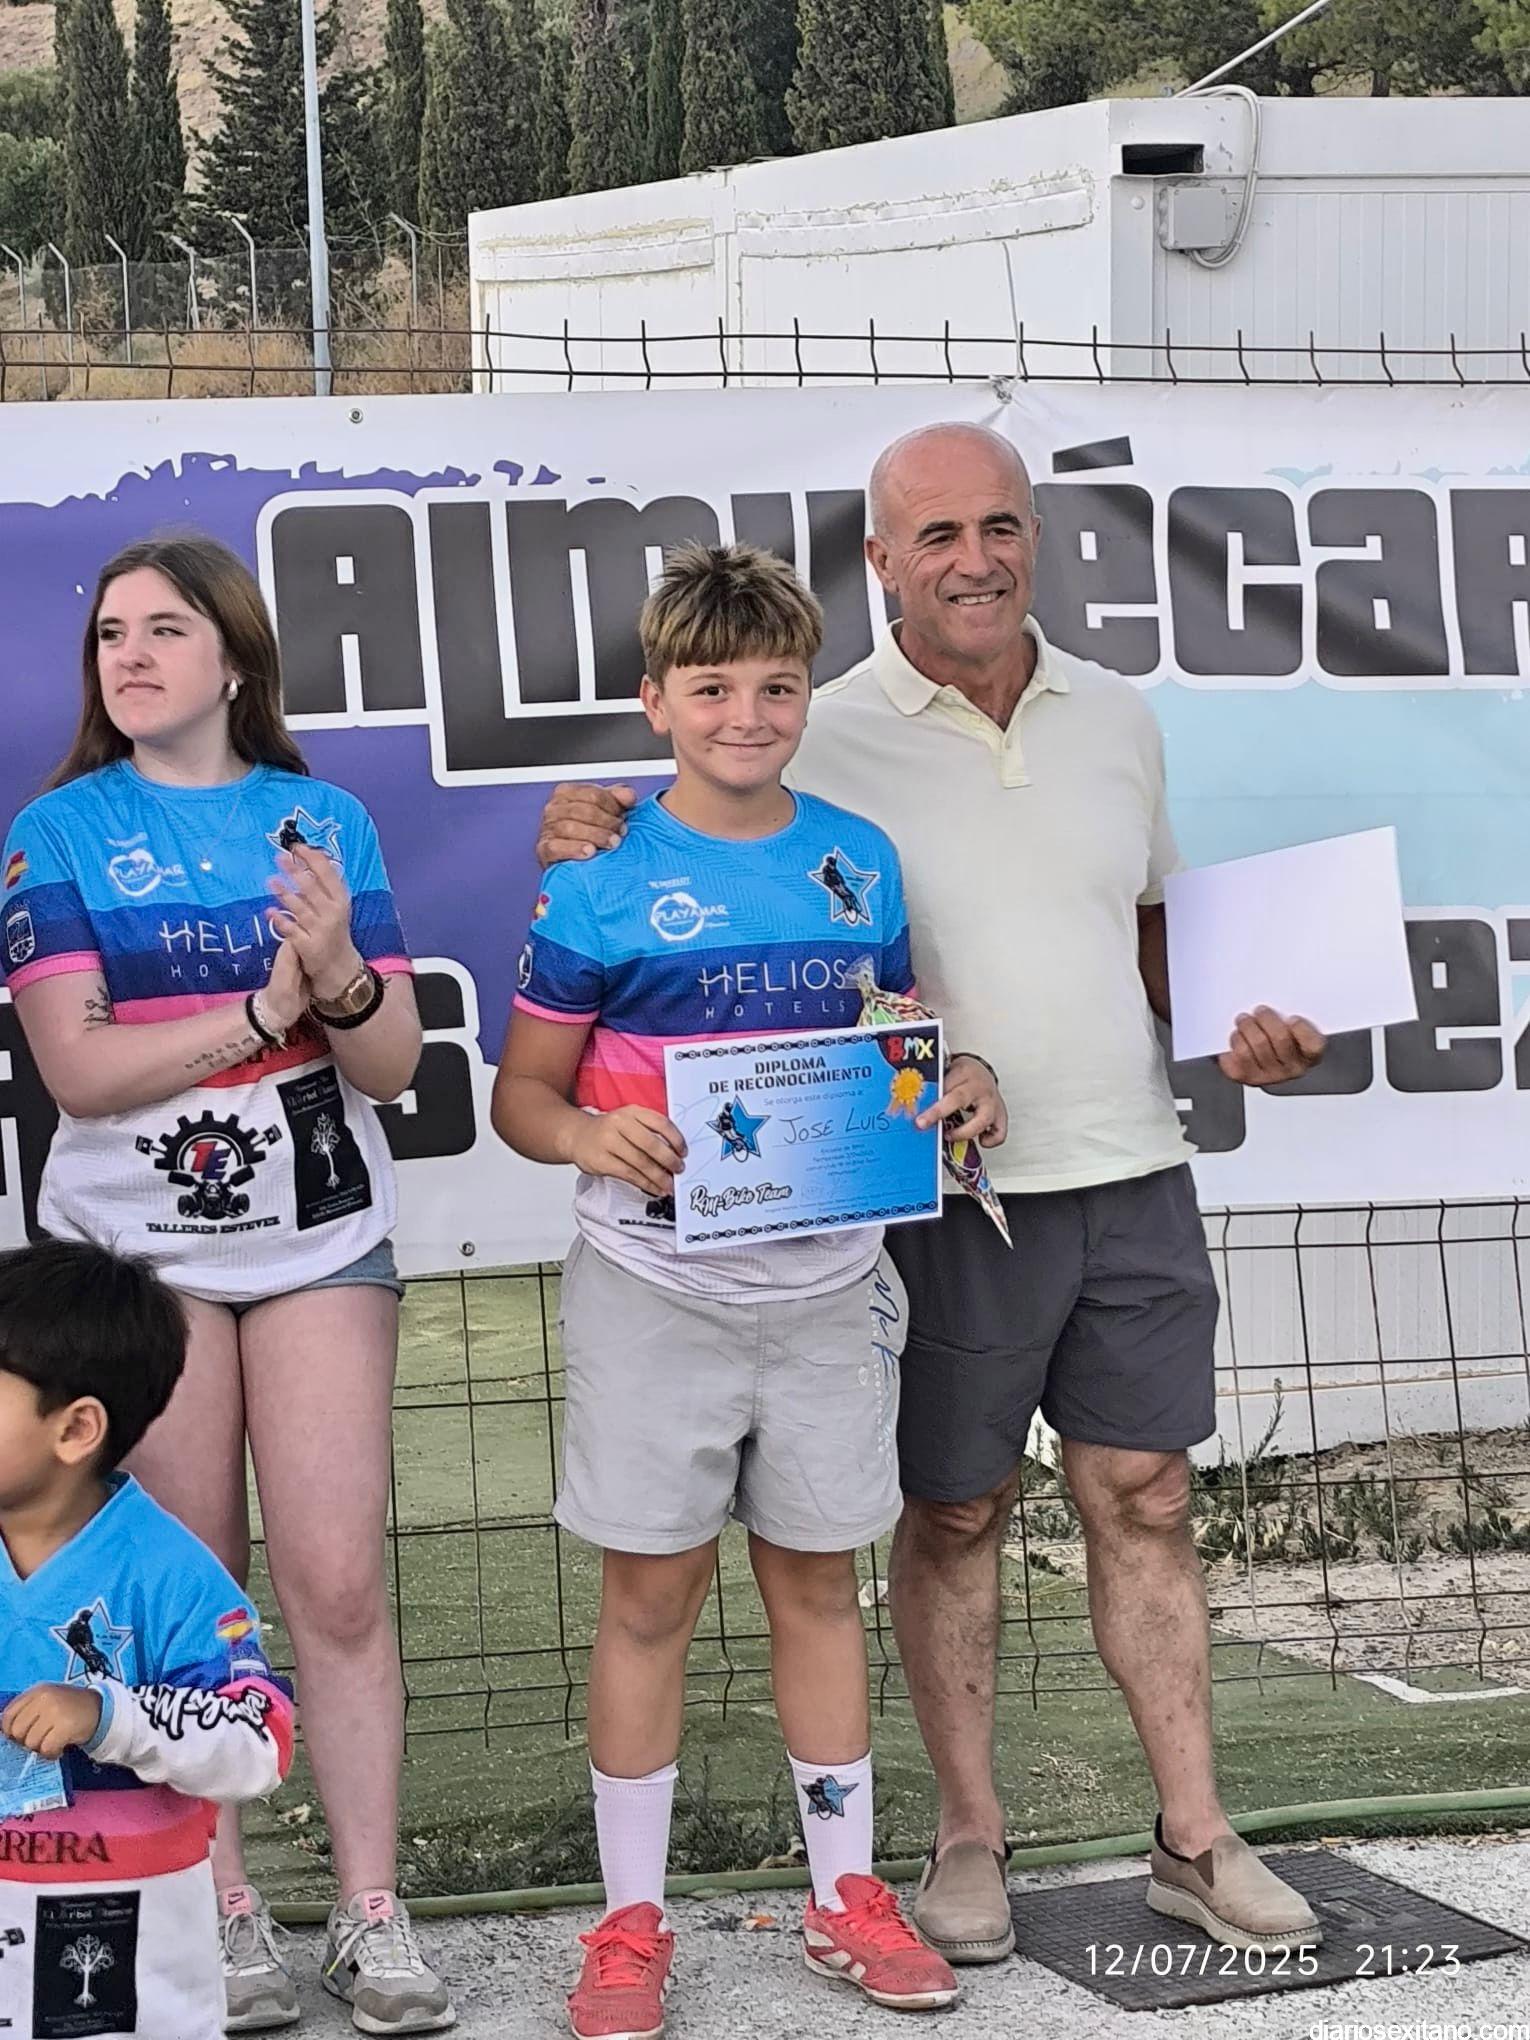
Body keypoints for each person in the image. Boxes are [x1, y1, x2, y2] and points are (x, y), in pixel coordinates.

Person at [533, 423, 1329, 1962]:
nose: (975, 559)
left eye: (999, 526)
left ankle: (1195, 1836)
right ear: (882, 560)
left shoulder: (1115, 715)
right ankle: (967, 1840)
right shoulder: (810, 727)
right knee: (954, 1510)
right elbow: (663, 827)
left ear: (1035, 537)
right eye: (938, 534)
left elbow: (1147, 932)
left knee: (1150, 1495)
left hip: (1131, 1161)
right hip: (943, 1191)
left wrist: (1249, 1029)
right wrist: (574, 826)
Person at [494, 543, 1008, 2039]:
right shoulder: (599, 881)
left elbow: (890, 1038)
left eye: (776, 687)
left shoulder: (857, 859)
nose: (746, 715)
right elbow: (521, 1096)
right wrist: (589, 1135)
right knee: (649, 1597)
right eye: (711, 688)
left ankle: (845, 1894)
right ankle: (628, 1921)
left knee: (817, 1588)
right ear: (656, 700)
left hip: (830, 1284)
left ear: (807, 696)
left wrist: (953, 1081)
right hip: (654, 1284)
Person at [0, 537, 454, 2034]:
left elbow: (386, 1065)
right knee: (187, 1587)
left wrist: (340, 976)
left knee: (337, 1580)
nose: (130, 656)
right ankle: (222, 1903)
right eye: (111, 635)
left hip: (321, 1242)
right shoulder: (58, 831)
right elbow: (78, 1069)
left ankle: (372, 1912)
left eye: (165, 630)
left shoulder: (324, 821)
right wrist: (265, 1010)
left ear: (237, 660)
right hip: (139, 1264)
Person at [0, 1238, 294, 2038]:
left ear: (76, 1429)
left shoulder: (172, 1577)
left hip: (130, 1979)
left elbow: (259, 1740)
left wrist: (110, 1718)